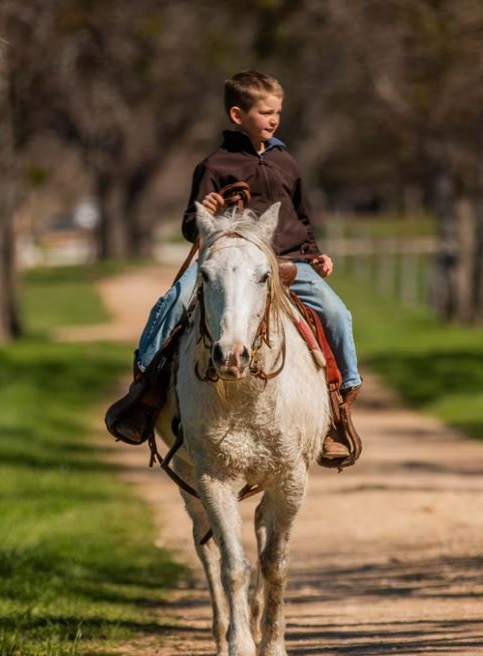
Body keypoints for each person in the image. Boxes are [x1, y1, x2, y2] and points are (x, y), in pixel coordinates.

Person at [106, 69, 362, 468]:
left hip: (289, 260)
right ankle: (144, 392)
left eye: (277, 111)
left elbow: (302, 218)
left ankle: (338, 409)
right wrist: (203, 212)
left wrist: (316, 254)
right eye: (265, 112)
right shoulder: (215, 165)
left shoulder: (286, 162)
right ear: (237, 114)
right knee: (175, 299)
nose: (273, 119)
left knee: (336, 313)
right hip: (227, 261)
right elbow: (192, 228)